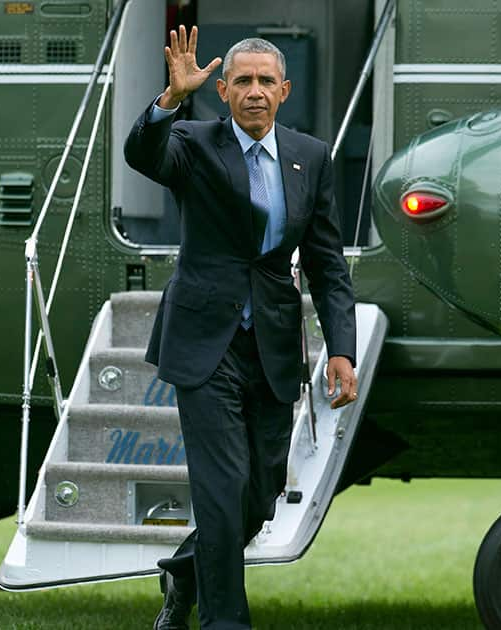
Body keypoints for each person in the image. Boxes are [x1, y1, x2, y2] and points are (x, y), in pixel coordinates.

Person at [124, 27, 359, 629]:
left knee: (257, 499)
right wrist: (170, 100)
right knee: (222, 490)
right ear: (223, 90)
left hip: (275, 345)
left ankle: (184, 574)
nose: (254, 92)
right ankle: (224, 622)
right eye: (242, 82)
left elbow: (329, 264)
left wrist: (342, 350)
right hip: (205, 344)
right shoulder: (193, 144)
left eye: (265, 81)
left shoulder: (313, 157)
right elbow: (143, 154)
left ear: (284, 90)